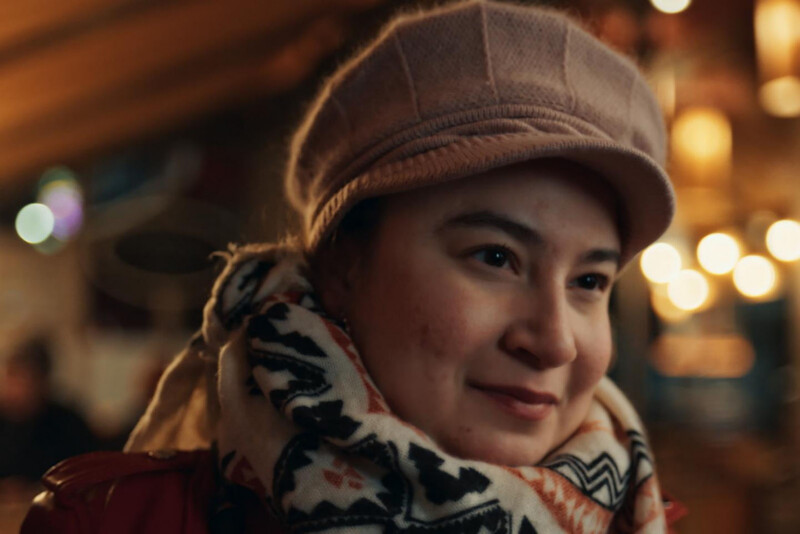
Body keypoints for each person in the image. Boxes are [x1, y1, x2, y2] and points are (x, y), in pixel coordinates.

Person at [23, 1, 685, 532]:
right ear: (343, 262)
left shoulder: (641, 518)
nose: (555, 339)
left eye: (590, 281)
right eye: (496, 257)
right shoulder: (116, 521)